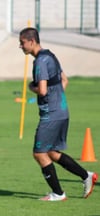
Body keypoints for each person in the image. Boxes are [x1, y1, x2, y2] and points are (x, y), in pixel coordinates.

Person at [19, 27, 97, 201]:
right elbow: (64, 80)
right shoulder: (51, 56)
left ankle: (58, 194)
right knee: (52, 153)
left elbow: (42, 90)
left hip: (51, 115)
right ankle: (86, 176)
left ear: (31, 41)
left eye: (22, 42)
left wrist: (31, 87)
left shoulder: (39, 62)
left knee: (39, 153)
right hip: (62, 111)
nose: (20, 46)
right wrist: (57, 99)